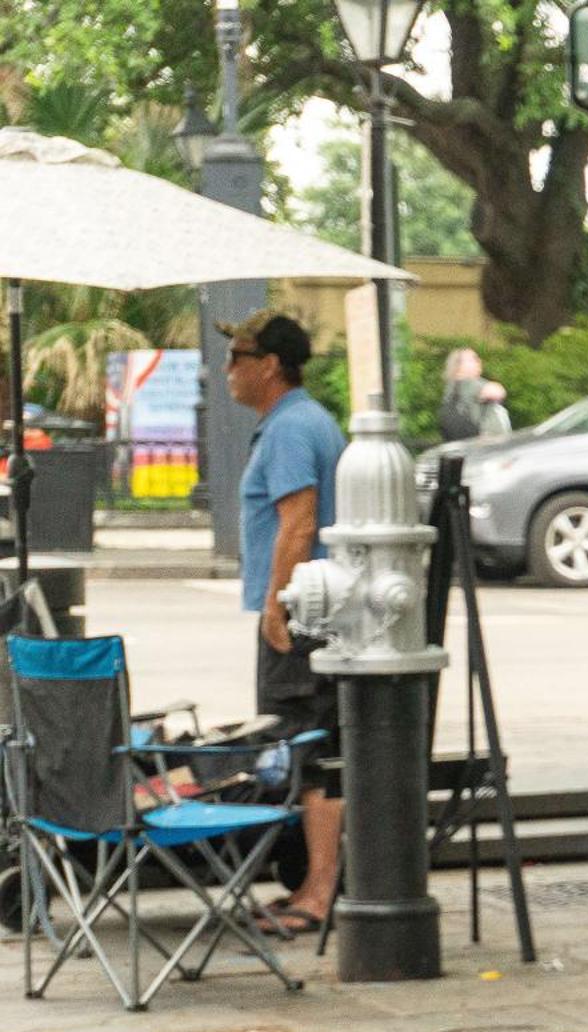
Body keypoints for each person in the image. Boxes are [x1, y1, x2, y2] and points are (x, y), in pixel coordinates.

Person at [224, 310, 344, 937]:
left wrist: (276, 606)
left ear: (269, 364)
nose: (228, 372)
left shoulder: (292, 429)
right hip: (305, 608)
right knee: (303, 747)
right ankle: (310, 883)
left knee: (311, 749)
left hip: (300, 612)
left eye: (237, 358)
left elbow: (299, 521)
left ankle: (320, 892)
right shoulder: (294, 423)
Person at [439, 347, 511, 442]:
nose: (479, 361)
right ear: (459, 365)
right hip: (490, 444)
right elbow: (497, 391)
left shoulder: (451, 388)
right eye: (473, 359)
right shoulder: (469, 383)